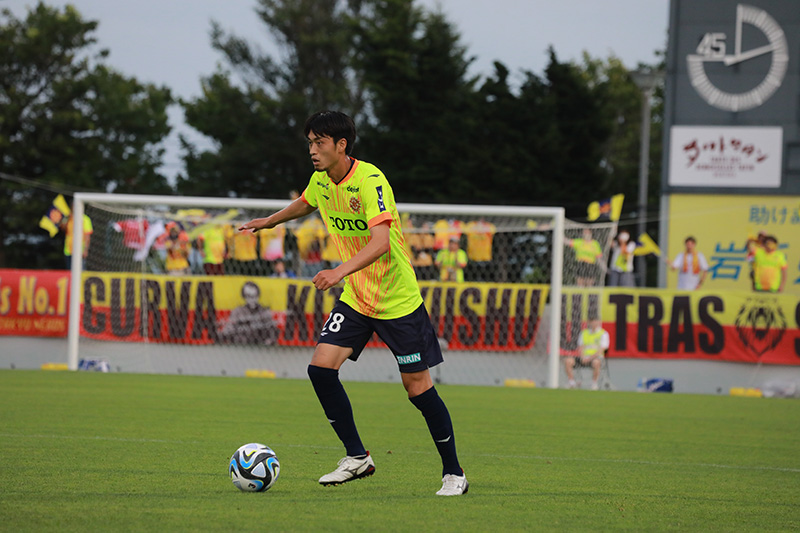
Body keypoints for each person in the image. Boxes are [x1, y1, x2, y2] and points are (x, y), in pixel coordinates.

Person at [238, 111, 467, 496]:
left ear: (341, 145)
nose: (312, 150)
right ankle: (357, 457)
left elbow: (380, 242)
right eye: (310, 143)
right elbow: (305, 203)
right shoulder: (321, 180)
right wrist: (270, 221)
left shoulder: (370, 180)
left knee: (417, 389)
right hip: (357, 298)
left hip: (396, 300)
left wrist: (338, 271)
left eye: (319, 143)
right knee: (320, 369)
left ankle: (454, 474)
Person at [564, 317, 609, 390]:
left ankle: (594, 384)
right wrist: (582, 357)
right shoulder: (584, 333)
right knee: (568, 361)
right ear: (588, 322)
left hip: (595, 357)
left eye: (595, 321)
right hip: (584, 357)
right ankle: (571, 382)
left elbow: (601, 350)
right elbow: (580, 347)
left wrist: (589, 358)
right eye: (591, 321)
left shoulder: (603, 333)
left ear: (598, 322)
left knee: (596, 362)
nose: (593, 323)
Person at [61, 204, 93, 270]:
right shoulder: (69, 218)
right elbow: (63, 228)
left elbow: (87, 236)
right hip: (68, 250)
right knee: (69, 272)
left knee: (80, 271)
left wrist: (85, 249)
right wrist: (66, 219)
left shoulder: (85, 219)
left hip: (80, 251)